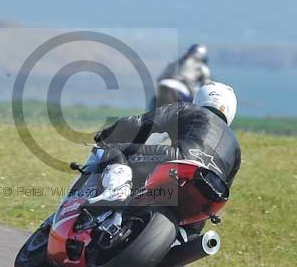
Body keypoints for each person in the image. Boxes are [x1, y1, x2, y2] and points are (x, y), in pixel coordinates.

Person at [91, 82, 241, 225]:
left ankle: (115, 191)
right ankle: (184, 239)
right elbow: (225, 189)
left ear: (200, 98)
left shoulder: (189, 109)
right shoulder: (236, 148)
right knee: (192, 230)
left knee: (113, 150)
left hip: (179, 160)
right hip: (209, 191)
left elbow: (140, 123)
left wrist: (106, 135)